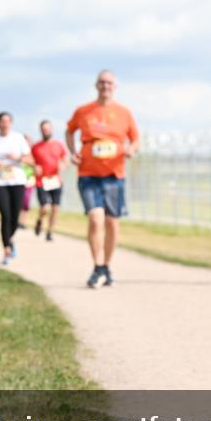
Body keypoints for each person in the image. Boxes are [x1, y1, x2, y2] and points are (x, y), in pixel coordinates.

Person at [66, 69, 140, 289]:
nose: (105, 86)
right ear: (96, 85)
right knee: (95, 218)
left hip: (114, 175)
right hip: (88, 174)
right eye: (102, 82)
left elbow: (135, 139)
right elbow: (69, 131)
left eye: (109, 82)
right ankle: (97, 266)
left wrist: (131, 149)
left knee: (112, 223)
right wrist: (73, 152)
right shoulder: (83, 111)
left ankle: (106, 266)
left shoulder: (124, 112)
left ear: (114, 87)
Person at [0, 113, 34, 265]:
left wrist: (17, 158)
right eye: (2, 121)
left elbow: (30, 160)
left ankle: (9, 240)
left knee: (14, 216)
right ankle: (6, 249)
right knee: (5, 214)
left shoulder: (18, 139)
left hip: (17, 180)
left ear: (11, 123)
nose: (5, 124)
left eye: (7, 121)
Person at [31, 119, 69, 241]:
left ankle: (50, 232)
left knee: (55, 208)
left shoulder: (59, 145)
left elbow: (65, 159)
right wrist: (34, 166)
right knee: (44, 208)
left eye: (48, 129)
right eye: (44, 129)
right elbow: (30, 160)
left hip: (55, 180)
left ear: (51, 130)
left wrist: (63, 165)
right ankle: (39, 220)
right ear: (41, 131)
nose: (46, 131)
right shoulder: (36, 147)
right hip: (41, 181)